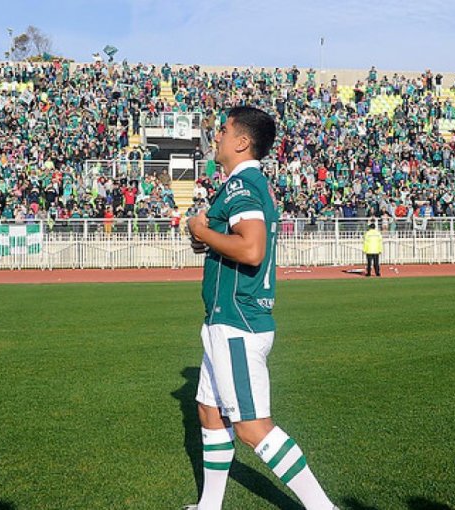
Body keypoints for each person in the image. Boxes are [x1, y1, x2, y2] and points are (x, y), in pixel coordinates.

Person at [185, 106, 337, 510]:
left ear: (241, 142)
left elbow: (251, 249)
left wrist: (200, 229)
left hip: (237, 319)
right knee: (209, 412)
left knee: (253, 428)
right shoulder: (247, 185)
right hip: (229, 318)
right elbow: (236, 240)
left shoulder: (241, 186)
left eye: (223, 131)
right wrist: (208, 237)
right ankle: (209, 506)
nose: (216, 137)